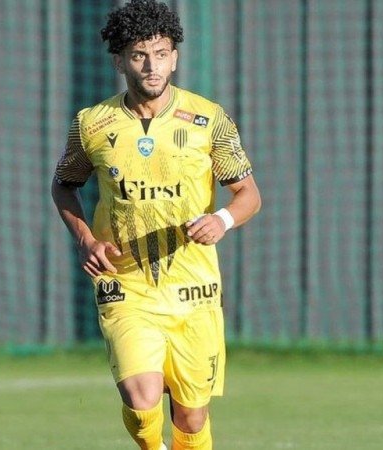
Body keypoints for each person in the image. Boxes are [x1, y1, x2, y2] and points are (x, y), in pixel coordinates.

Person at [52, 1, 261, 448]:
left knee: (190, 415)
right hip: (125, 282)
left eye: (161, 53)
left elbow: (249, 195)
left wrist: (221, 219)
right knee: (141, 397)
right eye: (139, 55)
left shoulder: (209, 119)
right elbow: (64, 186)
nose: (152, 66)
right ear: (119, 61)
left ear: (175, 58)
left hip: (194, 287)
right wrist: (85, 239)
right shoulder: (92, 124)